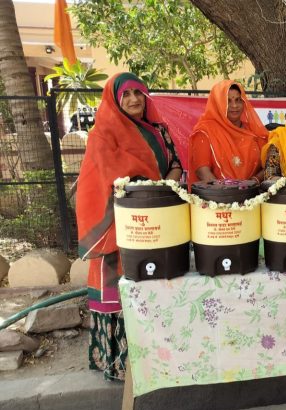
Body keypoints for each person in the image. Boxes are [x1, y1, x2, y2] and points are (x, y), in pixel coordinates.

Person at [76, 72, 183, 381]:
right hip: (120, 226)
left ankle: (161, 360)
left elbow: (175, 162)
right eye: (127, 95)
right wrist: (144, 194)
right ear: (115, 99)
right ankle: (119, 364)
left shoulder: (158, 130)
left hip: (159, 219)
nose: (135, 100)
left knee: (157, 282)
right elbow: (102, 179)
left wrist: (162, 188)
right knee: (121, 290)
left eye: (139, 93)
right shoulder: (102, 134)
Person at [188, 80, 269, 187]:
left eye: (238, 100)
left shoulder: (254, 132)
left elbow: (269, 165)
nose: (234, 105)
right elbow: (202, 171)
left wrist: (255, 181)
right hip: (216, 198)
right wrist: (227, 193)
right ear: (218, 104)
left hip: (253, 196)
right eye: (228, 101)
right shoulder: (205, 131)